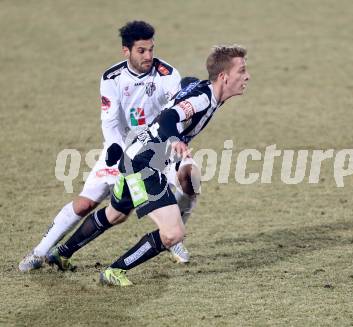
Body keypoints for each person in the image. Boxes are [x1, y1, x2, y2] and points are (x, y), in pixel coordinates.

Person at [47, 44, 250, 286]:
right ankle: (115, 271)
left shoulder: (205, 90)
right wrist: (176, 139)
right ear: (224, 77)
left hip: (134, 155)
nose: (247, 76)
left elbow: (186, 85)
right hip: (144, 165)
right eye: (242, 71)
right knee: (173, 233)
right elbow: (169, 118)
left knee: (116, 214)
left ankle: (61, 253)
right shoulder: (203, 100)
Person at [19, 21, 200, 272]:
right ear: (126, 51)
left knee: (189, 178)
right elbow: (110, 121)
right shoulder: (112, 78)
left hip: (158, 149)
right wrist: (116, 149)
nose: (148, 56)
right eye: (141, 51)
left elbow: (174, 111)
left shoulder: (167, 74)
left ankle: (172, 237)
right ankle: (39, 252)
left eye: (151, 49)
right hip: (121, 148)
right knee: (88, 205)